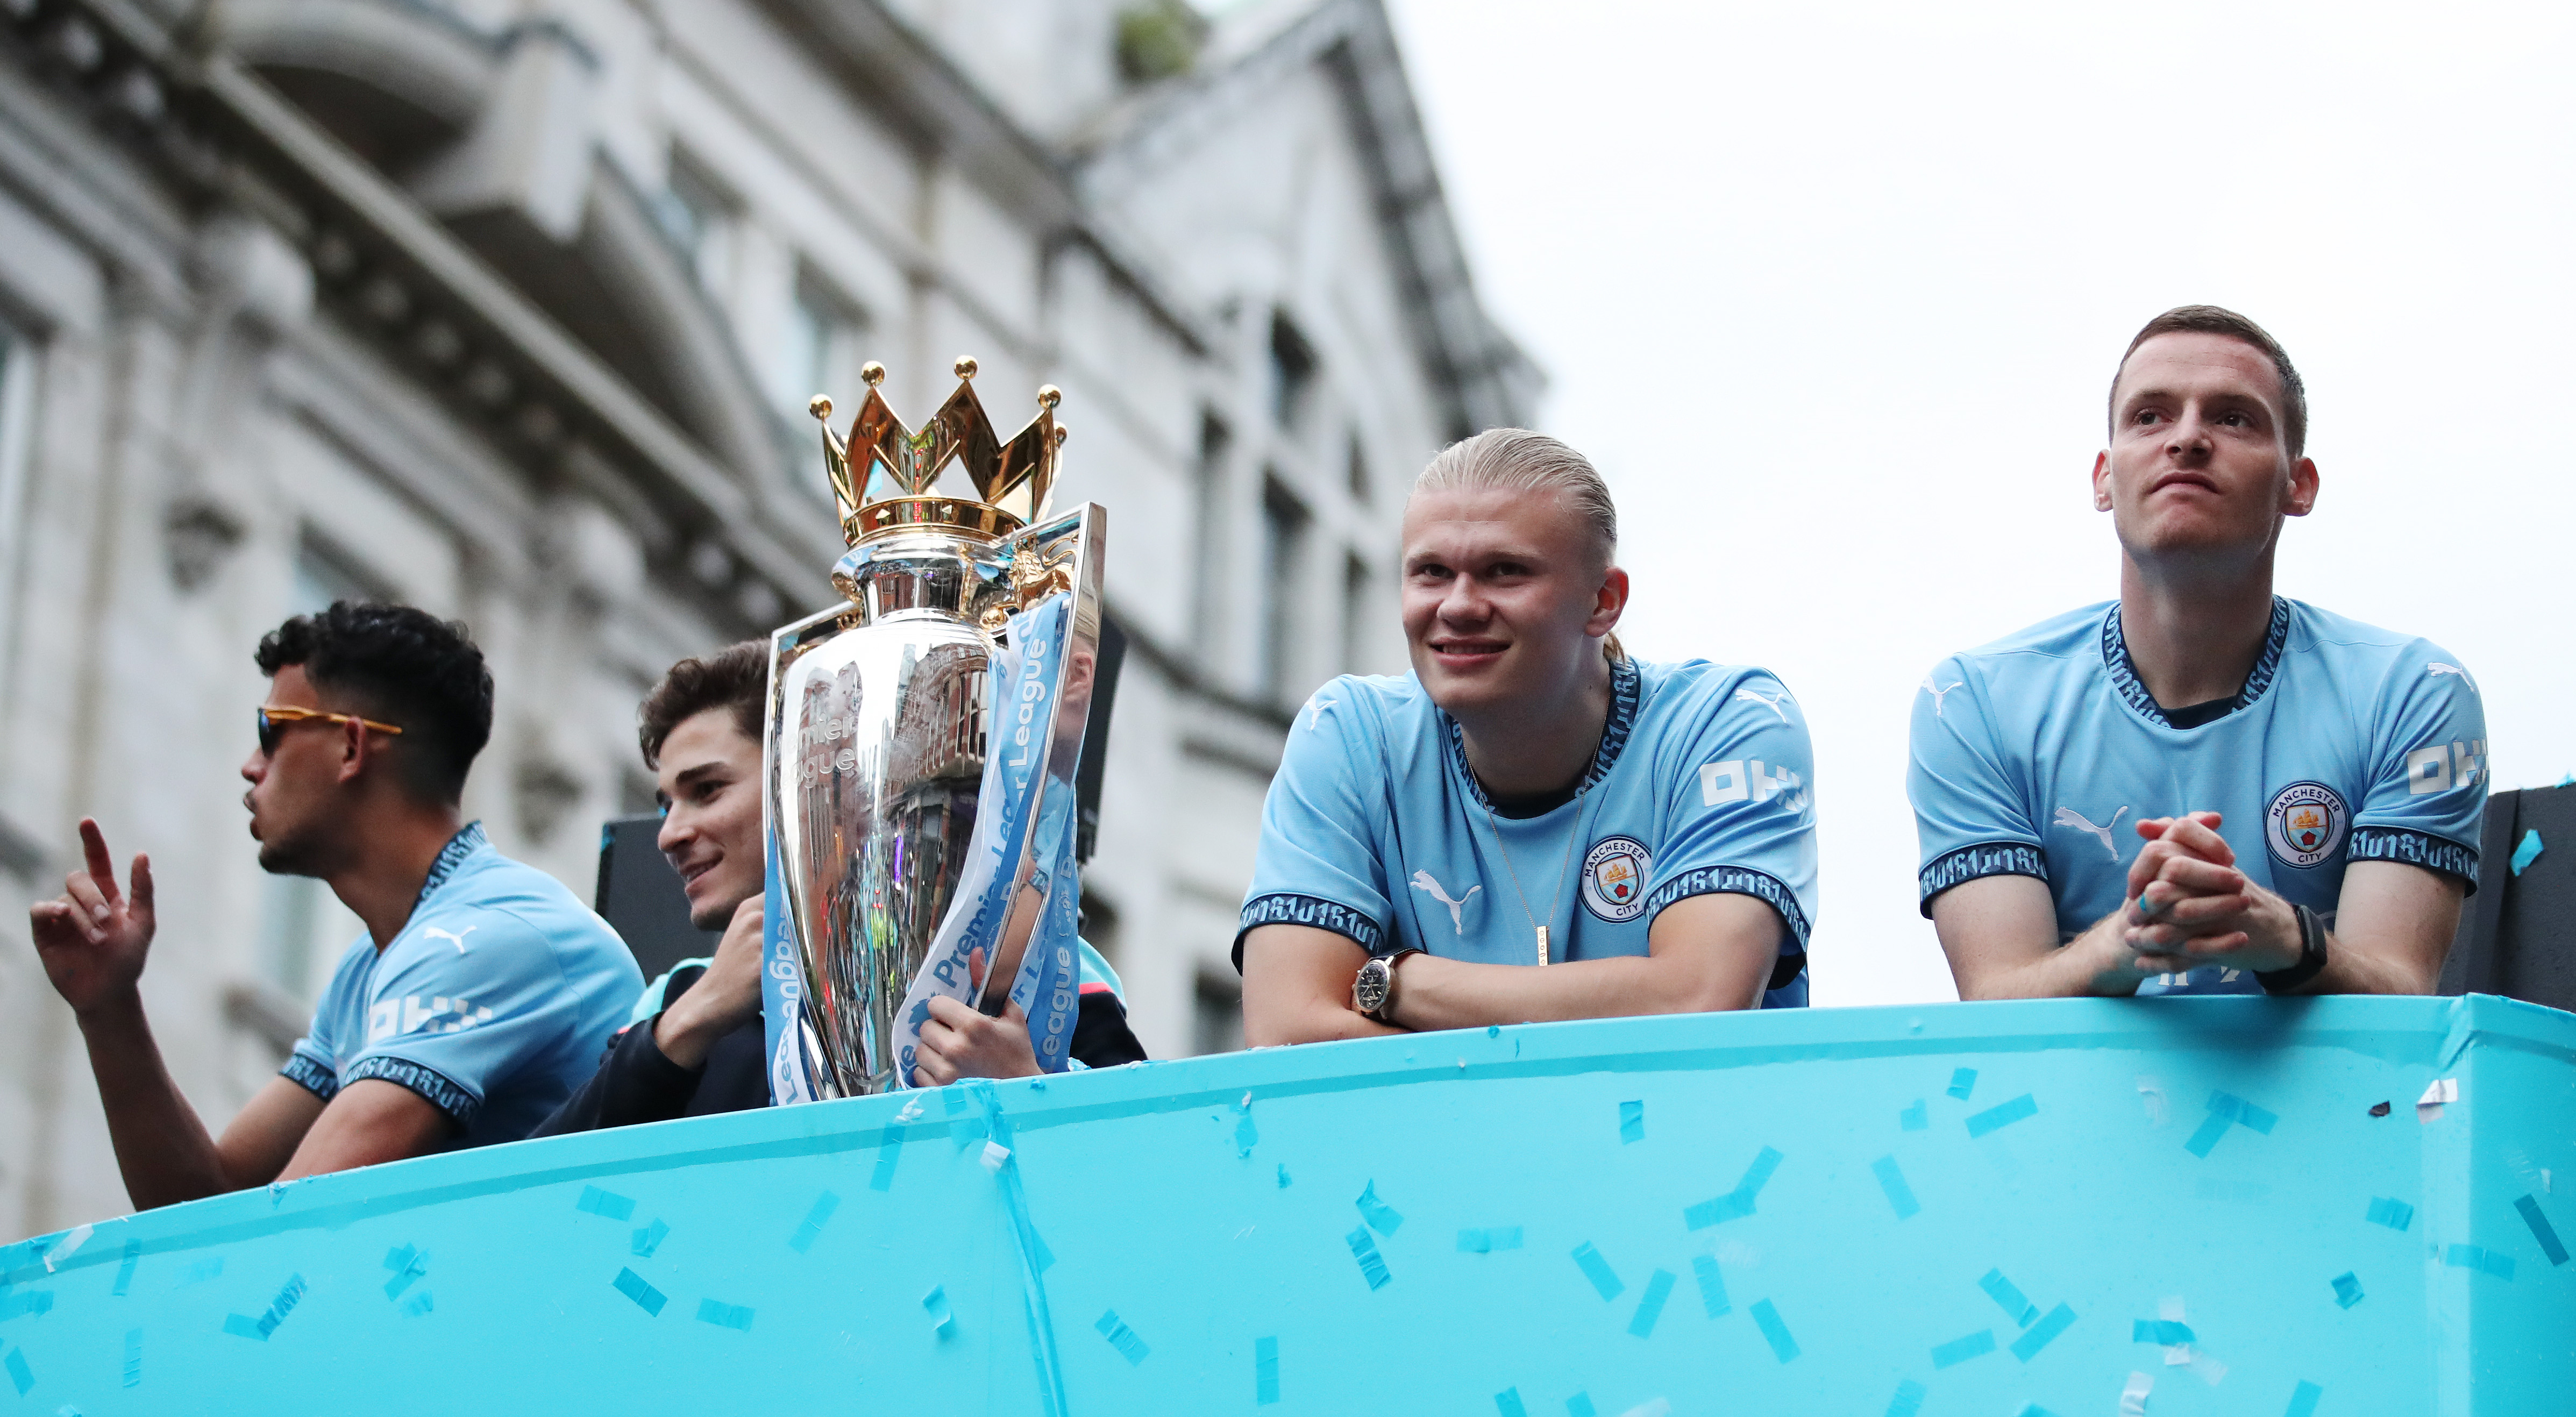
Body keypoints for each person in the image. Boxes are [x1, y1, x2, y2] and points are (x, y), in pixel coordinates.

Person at [1910, 305, 2487, 999]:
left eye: (2232, 417)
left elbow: (2403, 987)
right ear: (2102, 478)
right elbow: (1995, 995)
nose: (2185, 438)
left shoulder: (2412, 692)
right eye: (2149, 416)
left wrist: (2280, 934)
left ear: (2296, 484)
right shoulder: (1974, 703)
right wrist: (2125, 940)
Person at [29, 603, 642, 1209]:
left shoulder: (487, 937)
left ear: (351, 747)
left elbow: (282, 1229)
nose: (250, 765)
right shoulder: (374, 964)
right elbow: (204, 1201)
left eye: (272, 732)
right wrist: (109, 1007)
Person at [1236, 429, 1816, 1045]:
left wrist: (1399, 982)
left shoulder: (1727, 720)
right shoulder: (1346, 733)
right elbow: (1287, 1028)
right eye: (1431, 572)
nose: (1457, 605)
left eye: (1503, 571)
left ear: (1603, 600)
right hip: (1441, 1146)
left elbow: (1698, 999)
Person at [531, 641, 1142, 1137]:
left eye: (707, 790)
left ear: (810, 782)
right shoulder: (676, 1000)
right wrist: (687, 1023)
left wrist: (1026, 1087)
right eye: (665, 804)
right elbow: (528, 1191)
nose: (669, 833)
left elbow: (1162, 1169)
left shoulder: (1033, 968)